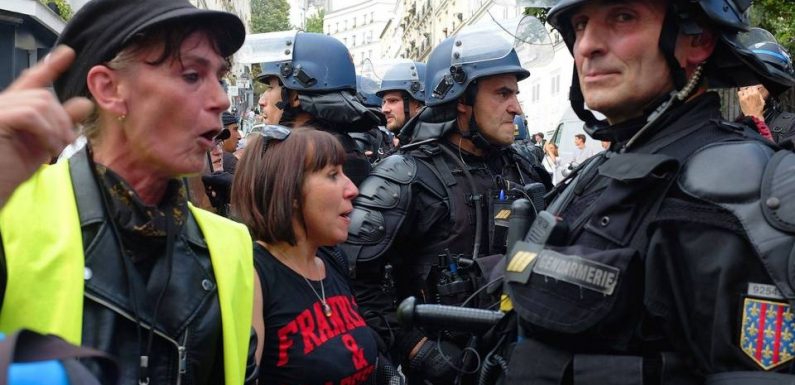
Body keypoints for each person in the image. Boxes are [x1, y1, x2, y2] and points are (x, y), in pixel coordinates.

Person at [501, 0, 795, 384]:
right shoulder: (600, 168)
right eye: (581, 24)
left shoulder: (738, 186)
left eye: (622, 17)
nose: (587, 45)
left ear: (698, 41)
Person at [0, 0, 257, 384]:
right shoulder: (9, 214)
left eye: (218, 76)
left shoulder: (231, 244)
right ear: (108, 89)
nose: (220, 99)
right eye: (191, 75)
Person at [342, 24, 552, 385]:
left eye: (515, 94)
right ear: (461, 100)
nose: (516, 107)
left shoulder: (524, 167)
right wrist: (417, 349)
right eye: (502, 93)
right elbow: (353, 279)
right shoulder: (405, 174)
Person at [232, 126, 388, 385]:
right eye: (332, 175)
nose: (352, 189)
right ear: (290, 192)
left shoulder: (332, 261)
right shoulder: (252, 276)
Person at [244, 31, 382, 186]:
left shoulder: (337, 160)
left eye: (270, 87)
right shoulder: (302, 151)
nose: (262, 101)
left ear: (295, 96)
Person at [735, 27, 795, 144]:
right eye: (746, 76)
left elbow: (782, 162)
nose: (749, 84)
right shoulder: (730, 127)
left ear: (772, 84)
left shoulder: (792, 124)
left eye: (758, 77)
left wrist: (755, 119)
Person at [376, 60, 427, 144]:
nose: (384, 110)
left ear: (417, 104)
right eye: (384, 102)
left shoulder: (429, 148)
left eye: (393, 101)